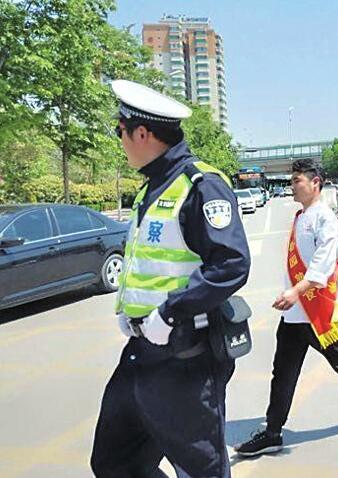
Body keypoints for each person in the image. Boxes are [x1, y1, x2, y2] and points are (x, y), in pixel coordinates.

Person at [90, 80, 251, 478]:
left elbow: (231, 264)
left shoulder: (201, 185)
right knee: (114, 461)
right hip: (141, 350)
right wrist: (132, 311)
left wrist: (169, 312)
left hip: (185, 355)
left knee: (201, 471)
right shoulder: (152, 188)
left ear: (142, 133)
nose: (121, 141)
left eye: (120, 132)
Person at [233, 158, 338, 457]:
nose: (292, 186)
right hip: (294, 316)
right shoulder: (300, 217)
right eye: (291, 180)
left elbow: (323, 266)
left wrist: (295, 291)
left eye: (296, 180)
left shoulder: (324, 218)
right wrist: (292, 296)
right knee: (283, 373)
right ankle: (272, 432)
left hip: (321, 314)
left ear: (315, 182)